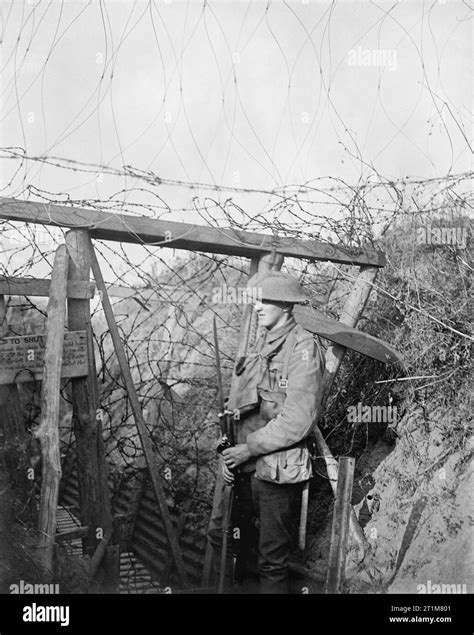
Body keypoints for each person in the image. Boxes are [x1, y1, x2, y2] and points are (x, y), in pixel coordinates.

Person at [209, 271, 325, 594]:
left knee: (271, 565)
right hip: (246, 472)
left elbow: (297, 420)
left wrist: (249, 448)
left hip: (277, 475)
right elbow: (241, 410)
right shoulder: (261, 347)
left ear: (286, 305)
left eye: (265, 300)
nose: (257, 307)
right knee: (242, 559)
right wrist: (228, 452)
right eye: (257, 300)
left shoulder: (302, 349)